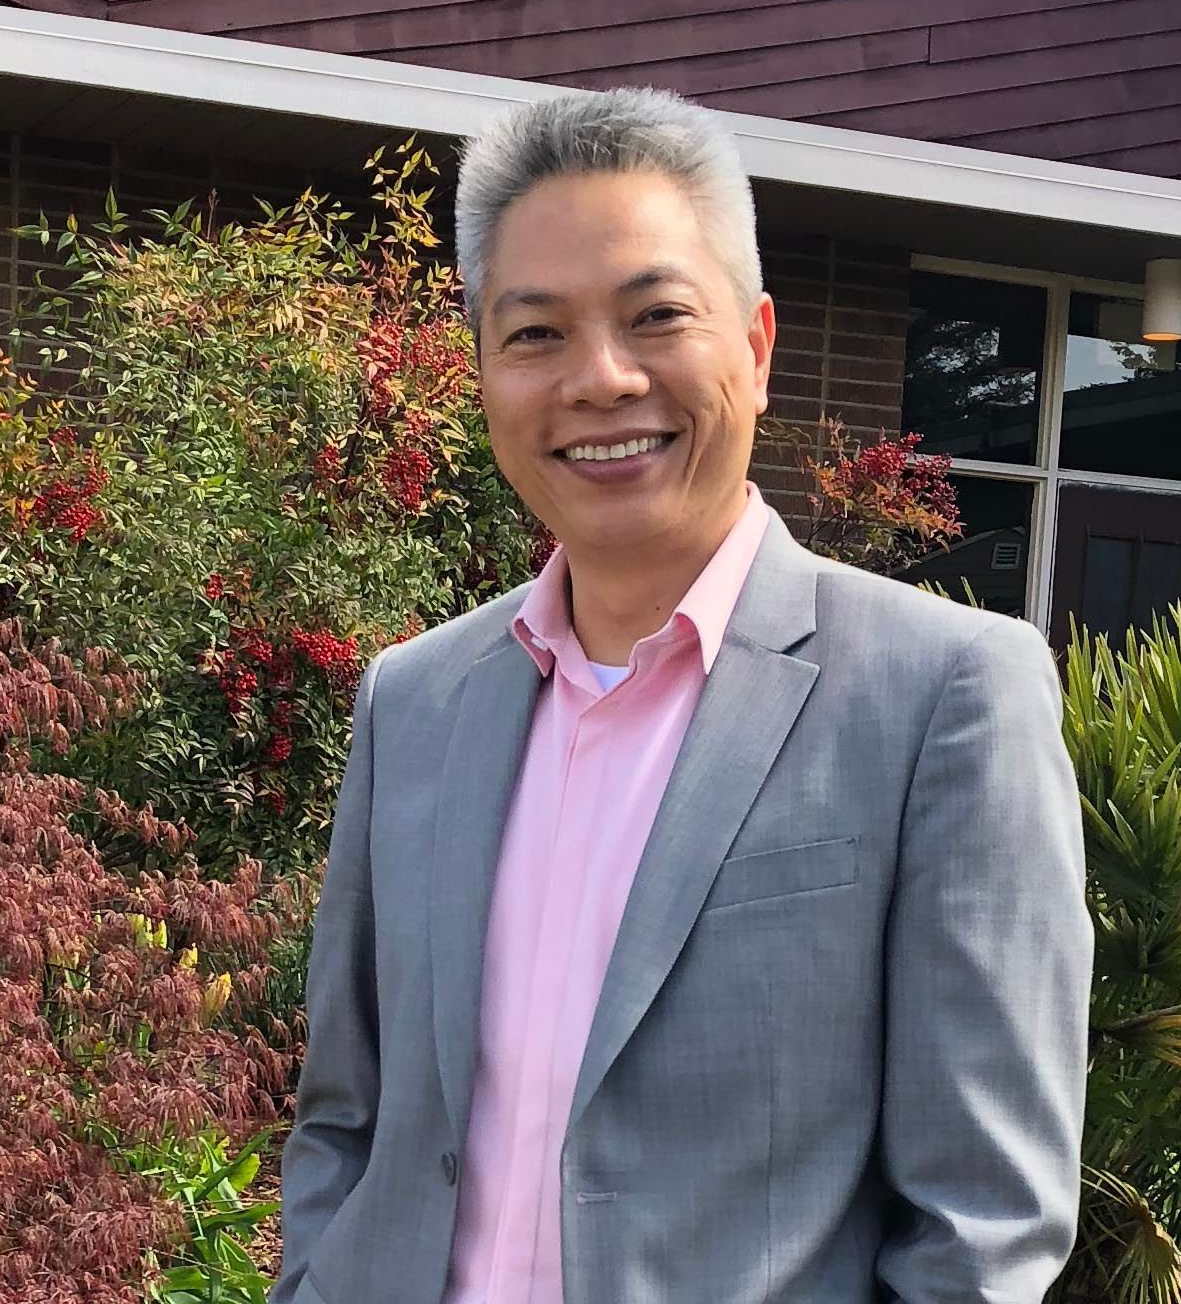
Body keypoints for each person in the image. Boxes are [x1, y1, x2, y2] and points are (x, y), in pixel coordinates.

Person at [270, 86, 1094, 1304]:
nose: (601, 380)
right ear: (484, 374)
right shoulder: (417, 700)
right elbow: (346, 1120)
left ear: (755, 348)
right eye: (535, 333)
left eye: (656, 316)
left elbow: (984, 1223)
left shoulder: (942, 696)